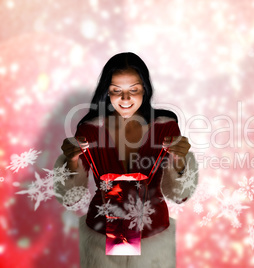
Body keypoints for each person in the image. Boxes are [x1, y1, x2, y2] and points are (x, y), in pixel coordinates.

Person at [54, 52, 198, 267]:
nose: (125, 99)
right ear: (107, 92)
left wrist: (180, 160)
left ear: (145, 89)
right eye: (116, 91)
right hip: (100, 241)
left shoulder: (165, 127)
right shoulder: (90, 130)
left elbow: (180, 195)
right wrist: (71, 160)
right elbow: (70, 197)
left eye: (134, 90)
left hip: (153, 240)